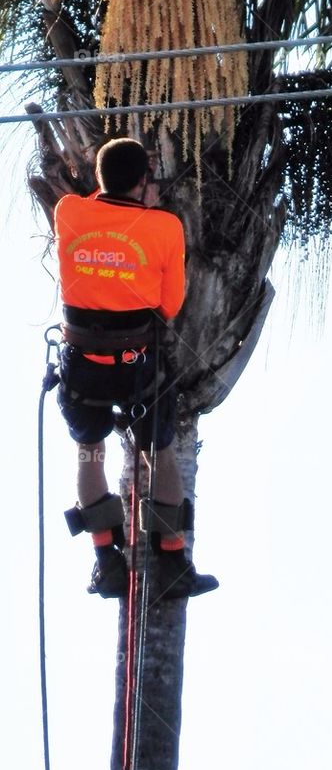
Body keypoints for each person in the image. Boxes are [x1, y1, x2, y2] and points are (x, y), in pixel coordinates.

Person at [55, 137, 218, 601]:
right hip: (136, 364)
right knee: (159, 453)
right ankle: (170, 559)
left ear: (100, 178)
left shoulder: (69, 212)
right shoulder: (164, 227)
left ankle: (107, 559)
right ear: (144, 182)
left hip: (84, 364)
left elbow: (94, 203)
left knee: (90, 450)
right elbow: (169, 305)